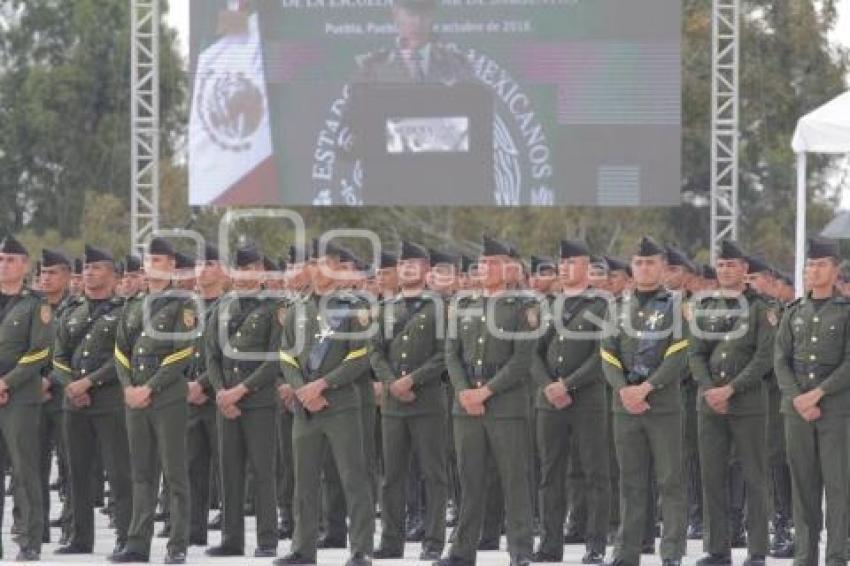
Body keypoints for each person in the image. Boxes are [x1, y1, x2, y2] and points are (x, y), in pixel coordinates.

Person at [437, 235, 535, 566]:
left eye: (494, 263)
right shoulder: (463, 303)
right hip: (466, 405)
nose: (487, 268)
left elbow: (522, 360)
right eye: (483, 263)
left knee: (514, 479)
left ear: (509, 268)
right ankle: (463, 551)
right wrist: (465, 392)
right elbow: (451, 354)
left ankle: (520, 550)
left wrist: (486, 392)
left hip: (505, 405)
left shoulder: (524, 306)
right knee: (470, 480)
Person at [276, 242, 375, 566]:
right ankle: (303, 548)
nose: (314, 268)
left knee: (352, 477)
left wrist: (322, 384)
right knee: (304, 481)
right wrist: (301, 388)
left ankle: (361, 549)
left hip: (341, 404)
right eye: (312, 262)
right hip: (305, 409)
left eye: (320, 262)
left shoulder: (355, 307)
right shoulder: (298, 308)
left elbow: (359, 356)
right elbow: (286, 354)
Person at [601, 236, 688, 566]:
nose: (644, 268)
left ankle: (672, 552)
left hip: (661, 406)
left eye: (650, 262)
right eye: (638, 263)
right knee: (630, 482)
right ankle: (627, 552)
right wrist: (624, 390)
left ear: (663, 267)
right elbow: (607, 351)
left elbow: (678, 353)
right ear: (632, 268)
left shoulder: (676, 304)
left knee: (670, 481)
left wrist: (647, 388)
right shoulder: (616, 306)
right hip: (625, 407)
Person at [690, 241, 775, 566]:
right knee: (711, 476)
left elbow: (765, 356)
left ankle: (756, 550)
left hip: (747, 403)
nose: (725, 270)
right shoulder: (705, 305)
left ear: (744, 269)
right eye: (721, 265)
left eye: (732, 265)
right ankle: (717, 548)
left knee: (754, 475)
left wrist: (731, 389)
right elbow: (695, 352)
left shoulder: (760, 307)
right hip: (709, 403)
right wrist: (711, 389)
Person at [111, 237, 195, 564]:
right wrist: (129, 386)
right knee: (141, 472)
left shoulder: (183, 303)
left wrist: (149, 387)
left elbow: (183, 351)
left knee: (174, 472)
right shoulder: (134, 304)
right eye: (149, 260)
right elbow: (121, 350)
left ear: (172, 265)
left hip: (167, 398)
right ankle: (137, 542)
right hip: (135, 398)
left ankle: (177, 544)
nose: (153, 265)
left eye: (160, 260)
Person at [532, 239, 610, 565]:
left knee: (594, 473)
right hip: (550, 402)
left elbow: (602, 353)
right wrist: (549, 385)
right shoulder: (549, 305)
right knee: (551, 473)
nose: (565, 269)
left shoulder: (603, 305)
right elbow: (532, 351)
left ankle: (595, 544)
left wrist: (568, 384)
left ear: (587, 267)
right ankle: (550, 543)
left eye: (572, 263)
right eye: (562, 264)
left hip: (587, 399)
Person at [52, 244, 133, 558]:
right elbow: (58, 356)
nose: (89, 272)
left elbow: (124, 357)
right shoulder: (73, 310)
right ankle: (80, 537)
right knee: (77, 471)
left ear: (113, 276)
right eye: (86, 268)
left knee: (119, 471)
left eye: (97, 267)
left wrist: (90, 381)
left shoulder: (124, 310)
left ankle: (126, 536)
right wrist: (72, 385)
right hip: (75, 404)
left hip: (110, 401)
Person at [774, 236, 850, 566]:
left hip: (835, 411)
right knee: (803, 486)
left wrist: (818, 394)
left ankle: (835, 556)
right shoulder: (793, 312)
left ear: (835, 271)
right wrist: (798, 399)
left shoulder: (845, 311)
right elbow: (780, 359)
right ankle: (805, 557)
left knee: (837, 487)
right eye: (809, 265)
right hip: (797, 412)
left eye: (820, 265)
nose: (813, 271)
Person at [372, 241, 448, 561]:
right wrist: (392, 383)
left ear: (427, 271)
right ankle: (391, 540)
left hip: (427, 401)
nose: (406, 270)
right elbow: (375, 352)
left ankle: (433, 541)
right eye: (402, 265)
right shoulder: (388, 308)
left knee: (433, 473)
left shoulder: (441, 308)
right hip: (393, 405)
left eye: (413, 265)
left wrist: (411, 380)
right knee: (392, 477)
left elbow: (445, 354)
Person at [205, 244, 281, 558]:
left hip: (258, 402)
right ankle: (231, 539)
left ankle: (267, 539)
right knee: (229, 471)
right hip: (226, 402)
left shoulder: (275, 308)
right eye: (241, 269)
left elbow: (274, 358)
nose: (246, 275)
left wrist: (241, 391)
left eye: (252, 269)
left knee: (263, 472)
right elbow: (212, 355)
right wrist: (222, 391)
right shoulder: (222, 307)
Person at [0, 235, 51, 561]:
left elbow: (40, 351)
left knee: (23, 470)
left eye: (10, 260)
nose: (3, 264)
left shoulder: (36, 304)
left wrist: (5, 382)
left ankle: (29, 538)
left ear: (24, 266)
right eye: (1, 259)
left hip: (19, 397)